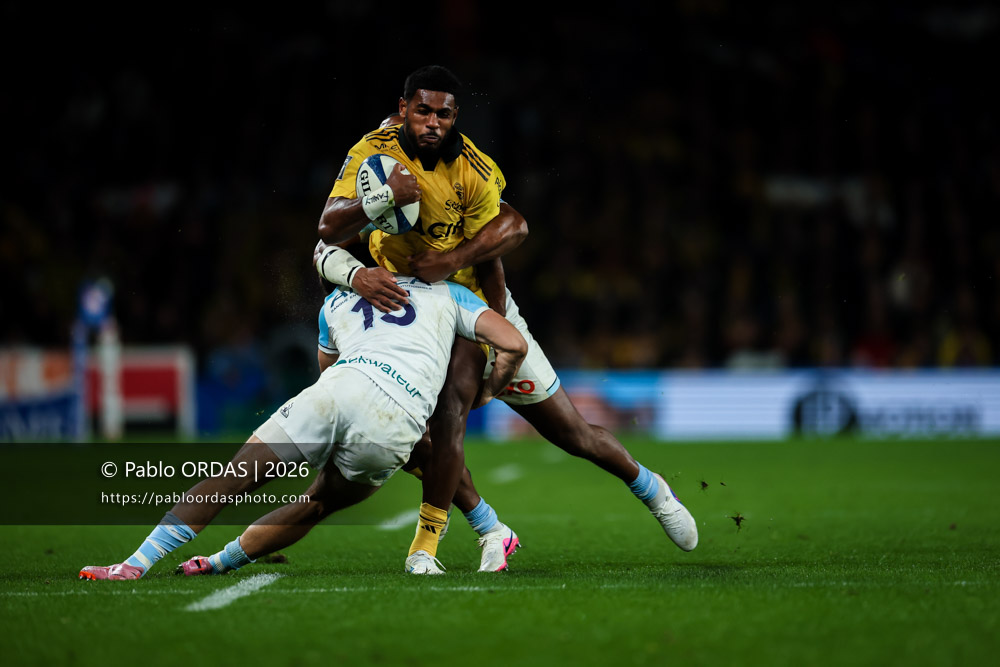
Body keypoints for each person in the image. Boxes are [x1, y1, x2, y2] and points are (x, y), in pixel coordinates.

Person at [318, 65, 698, 572]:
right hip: (411, 310)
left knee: (572, 434)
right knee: (433, 424)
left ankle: (651, 490)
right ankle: (440, 543)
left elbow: (498, 248)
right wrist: (380, 201)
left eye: (444, 114)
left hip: (476, 304)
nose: (433, 122)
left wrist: (494, 327)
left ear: (455, 117)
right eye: (424, 110)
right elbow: (327, 226)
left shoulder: (474, 170)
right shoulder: (373, 152)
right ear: (405, 107)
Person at [78, 258, 528, 580]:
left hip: (335, 392)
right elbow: (515, 344)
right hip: (396, 412)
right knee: (321, 500)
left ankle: (135, 564)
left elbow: (327, 369)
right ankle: (220, 563)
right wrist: (489, 389)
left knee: (231, 478)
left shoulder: (336, 300)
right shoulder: (452, 294)